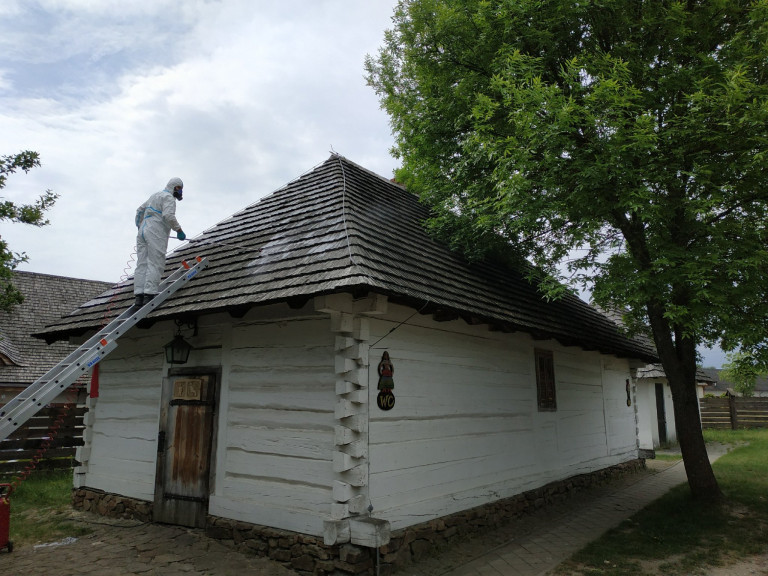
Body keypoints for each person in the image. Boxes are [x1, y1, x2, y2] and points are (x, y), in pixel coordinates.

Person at [133, 177, 186, 307]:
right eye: (180, 189)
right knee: (155, 261)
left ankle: (139, 295)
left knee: (142, 263)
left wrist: (140, 226)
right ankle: (149, 294)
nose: (180, 193)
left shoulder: (154, 195)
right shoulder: (168, 198)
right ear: (176, 188)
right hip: (156, 232)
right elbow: (168, 216)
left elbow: (139, 210)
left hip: (143, 231)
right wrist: (178, 230)